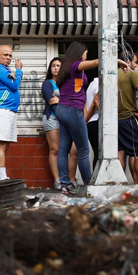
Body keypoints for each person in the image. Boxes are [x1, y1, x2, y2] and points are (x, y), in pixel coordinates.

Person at [55, 41, 98, 191]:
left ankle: (65, 184)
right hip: (72, 110)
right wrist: (114, 60)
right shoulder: (75, 65)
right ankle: (88, 183)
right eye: (85, 52)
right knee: (83, 149)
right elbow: (93, 63)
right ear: (79, 52)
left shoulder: (66, 67)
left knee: (63, 149)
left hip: (63, 109)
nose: (87, 54)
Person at [0, 45, 23, 181]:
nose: (8, 58)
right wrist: (19, 71)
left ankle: (3, 176)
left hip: (8, 111)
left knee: (5, 144)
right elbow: (14, 85)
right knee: (1, 145)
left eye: (10, 56)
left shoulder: (4, 70)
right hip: (1, 111)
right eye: (5, 55)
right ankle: (2, 178)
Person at [41, 57, 78, 188]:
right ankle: (58, 180)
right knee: (55, 149)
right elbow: (52, 102)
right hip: (52, 117)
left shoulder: (68, 83)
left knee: (71, 150)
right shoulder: (47, 84)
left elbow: (75, 99)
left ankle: (70, 179)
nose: (56, 68)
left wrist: (61, 100)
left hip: (67, 118)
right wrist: (66, 102)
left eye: (58, 66)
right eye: (53, 66)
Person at [117, 52, 138, 183]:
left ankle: (119, 186)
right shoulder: (131, 73)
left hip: (114, 121)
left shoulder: (110, 74)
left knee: (119, 153)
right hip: (129, 118)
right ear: (128, 62)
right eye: (134, 62)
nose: (135, 65)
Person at [84, 78, 100, 163]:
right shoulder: (100, 82)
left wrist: (85, 120)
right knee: (100, 155)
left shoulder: (91, 84)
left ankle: (95, 175)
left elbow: (87, 104)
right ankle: (98, 176)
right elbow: (95, 101)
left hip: (91, 122)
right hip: (97, 121)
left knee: (97, 154)